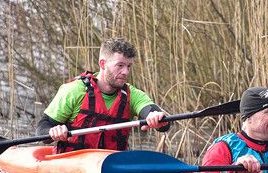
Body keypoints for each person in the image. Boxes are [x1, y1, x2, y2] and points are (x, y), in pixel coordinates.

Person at [36, 37, 169, 153]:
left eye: (129, 66)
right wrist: (53, 131)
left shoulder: (132, 95)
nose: (126, 72)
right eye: (120, 65)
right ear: (102, 64)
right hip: (73, 163)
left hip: (111, 165)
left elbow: (152, 112)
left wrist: (157, 118)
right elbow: (42, 128)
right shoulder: (74, 90)